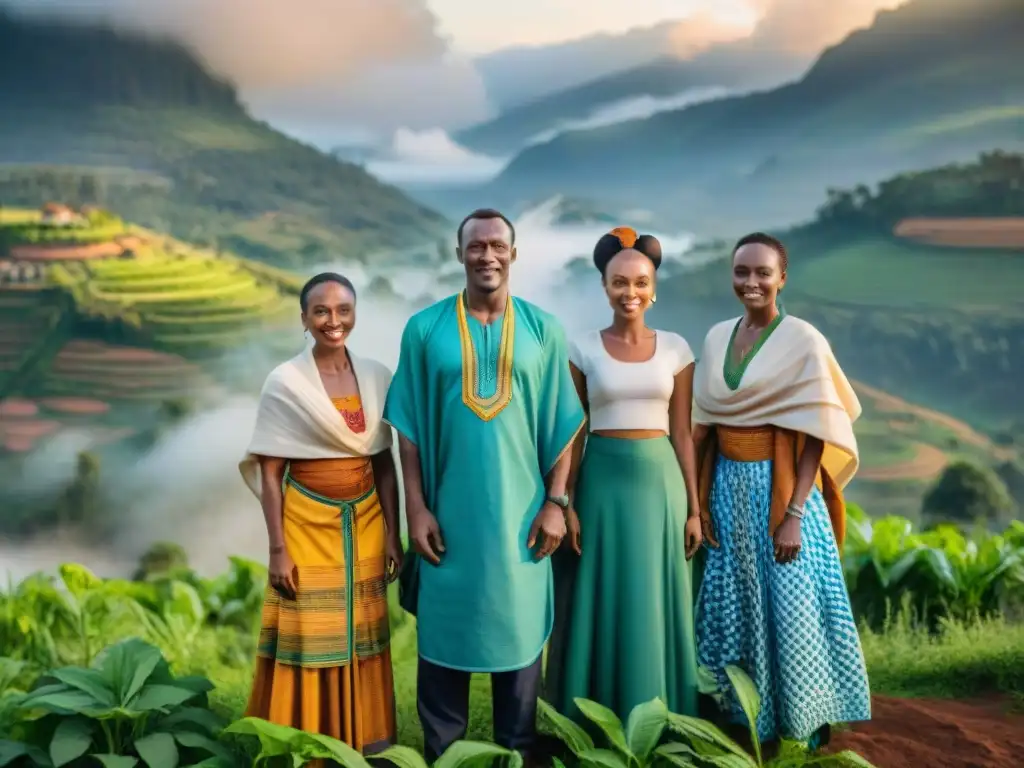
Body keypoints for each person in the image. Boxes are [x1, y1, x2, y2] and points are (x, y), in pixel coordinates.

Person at [383, 208, 585, 764]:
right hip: (449, 518)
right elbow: (409, 431)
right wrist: (416, 510)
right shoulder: (424, 329)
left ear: (514, 254)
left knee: (518, 637)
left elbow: (565, 424)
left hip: (523, 519)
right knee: (446, 634)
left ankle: (515, 752)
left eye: (498, 245)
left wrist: (556, 501)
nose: (487, 255)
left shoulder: (544, 330)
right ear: (459, 254)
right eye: (476, 246)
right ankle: (441, 752)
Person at [692, 233, 871, 750]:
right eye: (741, 271)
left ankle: (802, 727)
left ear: (782, 278)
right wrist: (699, 503)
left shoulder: (804, 340)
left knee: (793, 605)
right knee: (736, 603)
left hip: (784, 491)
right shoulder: (716, 337)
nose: (751, 282)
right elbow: (704, 424)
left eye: (762, 273)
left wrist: (794, 512)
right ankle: (743, 721)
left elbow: (818, 429)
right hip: (728, 489)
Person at [239, 273, 403, 757]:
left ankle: (367, 743)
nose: (334, 322)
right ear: (305, 318)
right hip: (306, 526)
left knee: (365, 631)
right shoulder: (286, 382)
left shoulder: (375, 376)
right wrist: (277, 549)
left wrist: (395, 534)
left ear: (355, 314)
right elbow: (270, 473)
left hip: (368, 522)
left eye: (343, 310)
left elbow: (383, 463)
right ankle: (307, 744)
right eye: (322, 312)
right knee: (310, 633)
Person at [545, 227, 702, 724]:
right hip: (601, 487)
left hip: (661, 489)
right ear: (604, 286)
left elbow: (683, 433)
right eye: (619, 282)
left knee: (655, 599)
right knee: (598, 596)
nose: (629, 292)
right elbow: (575, 433)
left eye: (639, 282)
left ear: (653, 288)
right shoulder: (581, 348)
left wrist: (694, 510)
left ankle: (661, 719)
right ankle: (591, 722)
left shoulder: (677, 349)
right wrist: (565, 502)